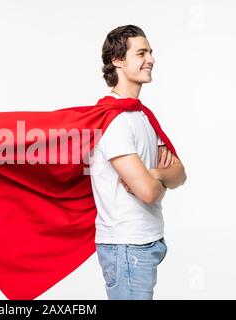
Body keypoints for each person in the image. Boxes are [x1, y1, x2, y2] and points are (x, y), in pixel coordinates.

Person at [90, 25, 187, 300]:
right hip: (127, 245)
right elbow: (148, 192)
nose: (151, 59)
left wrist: (154, 173)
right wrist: (159, 179)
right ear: (117, 60)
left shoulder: (142, 115)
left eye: (151, 52)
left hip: (149, 240)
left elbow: (180, 174)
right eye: (141, 53)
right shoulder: (115, 121)